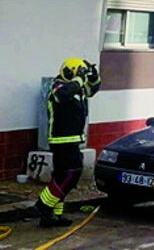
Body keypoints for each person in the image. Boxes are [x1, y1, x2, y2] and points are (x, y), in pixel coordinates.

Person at [36, 58, 101, 228]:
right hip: (61, 140)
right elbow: (63, 95)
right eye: (79, 73)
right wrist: (78, 79)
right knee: (71, 176)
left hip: (72, 140)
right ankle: (44, 205)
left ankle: (54, 215)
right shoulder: (58, 86)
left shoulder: (77, 88)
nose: (81, 79)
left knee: (60, 177)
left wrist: (94, 77)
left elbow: (92, 90)